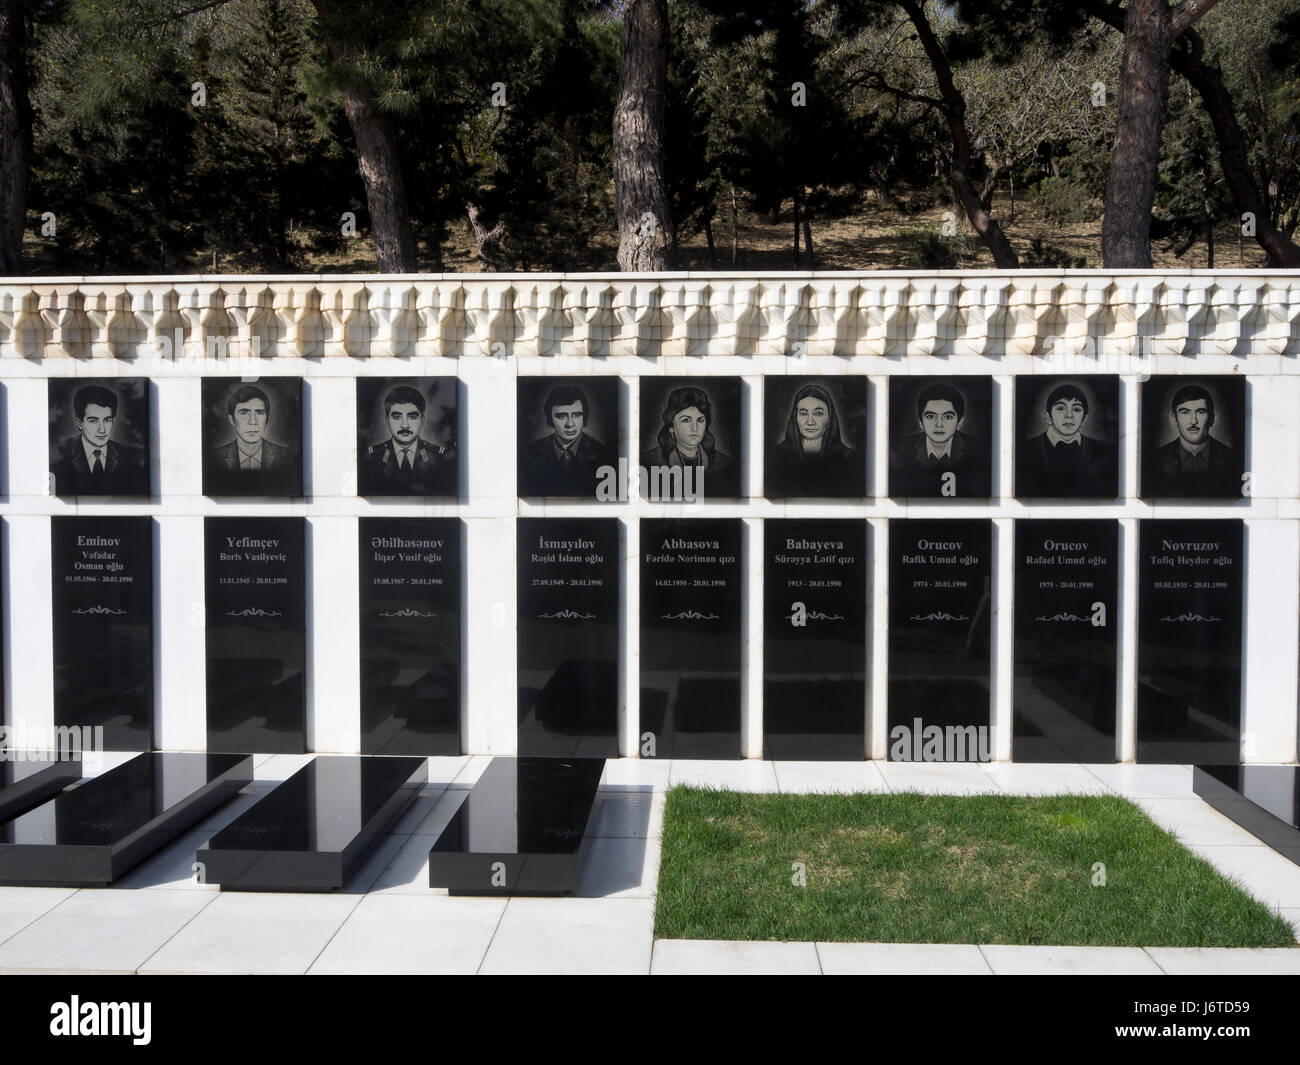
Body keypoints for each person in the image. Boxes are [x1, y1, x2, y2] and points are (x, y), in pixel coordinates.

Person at [1017, 382, 1116, 498]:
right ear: (1048, 417)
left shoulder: (1105, 451)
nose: (1069, 415)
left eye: (1076, 409)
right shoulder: (1024, 449)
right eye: (1061, 408)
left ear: (1084, 419)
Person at [50, 384, 149, 496]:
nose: (102, 430)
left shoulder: (130, 456)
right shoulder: (58, 455)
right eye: (93, 421)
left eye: (107, 420)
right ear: (79, 423)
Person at [359, 384, 456, 496]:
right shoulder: (371, 458)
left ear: (422, 421)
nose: (405, 425)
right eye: (397, 417)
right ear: (387, 421)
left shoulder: (439, 457)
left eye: (412, 417)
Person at [1147, 383, 1240, 498]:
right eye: (1185, 412)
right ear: (1174, 419)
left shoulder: (1234, 459)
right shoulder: (1153, 460)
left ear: (1212, 419)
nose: (1193, 421)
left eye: (1200, 412)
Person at [891, 382, 983, 497]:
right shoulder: (902, 448)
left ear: (959, 423)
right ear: (921, 422)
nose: (939, 425)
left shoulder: (978, 449)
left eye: (947, 417)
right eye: (930, 417)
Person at [767, 383, 859, 497]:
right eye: (803, 413)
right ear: (795, 417)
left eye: (818, 413)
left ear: (830, 417)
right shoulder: (775, 457)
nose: (810, 421)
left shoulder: (849, 459)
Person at [205, 383, 298, 496]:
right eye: (244, 413)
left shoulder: (286, 456)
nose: (252, 421)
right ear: (232, 420)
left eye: (259, 413)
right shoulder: (215, 458)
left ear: (267, 419)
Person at [520, 384, 614, 496]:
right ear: (550, 420)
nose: (570, 424)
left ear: (584, 417)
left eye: (576, 415)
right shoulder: (530, 453)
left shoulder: (604, 455)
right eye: (561, 416)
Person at [642, 385, 731, 485]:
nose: (695, 428)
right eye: (686, 420)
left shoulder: (723, 463)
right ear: (671, 427)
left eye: (700, 420)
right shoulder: (649, 460)